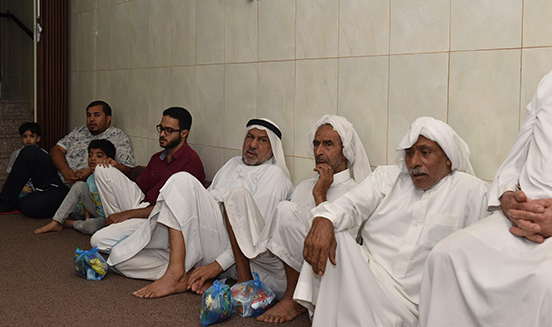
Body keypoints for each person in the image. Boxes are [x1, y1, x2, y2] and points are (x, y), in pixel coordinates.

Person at [293, 117, 490, 326]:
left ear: (448, 158)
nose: (414, 162)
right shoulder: (387, 177)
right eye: (409, 153)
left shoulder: (472, 192)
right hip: (369, 282)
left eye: (425, 153)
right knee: (333, 232)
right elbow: (350, 205)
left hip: (418, 305)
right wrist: (324, 218)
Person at [90, 118, 293, 299]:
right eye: (250, 137)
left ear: (273, 148)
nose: (253, 144)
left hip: (225, 241)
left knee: (181, 180)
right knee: (119, 259)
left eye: (262, 140)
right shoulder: (232, 163)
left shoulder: (274, 175)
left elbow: (253, 237)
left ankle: (175, 274)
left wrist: (217, 266)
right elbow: (208, 196)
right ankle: (183, 272)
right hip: (198, 231)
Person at [419, 71, 552, 327]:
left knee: (545, 282)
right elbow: (516, 158)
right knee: (446, 255)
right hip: (519, 216)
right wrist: (508, 195)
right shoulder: (548, 84)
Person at [223, 115, 371, 324]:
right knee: (236, 196)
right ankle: (244, 280)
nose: (319, 151)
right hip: (277, 269)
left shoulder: (355, 193)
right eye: (316, 144)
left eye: (328, 144)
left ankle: (294, 299)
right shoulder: (303, 186)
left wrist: (320, 195)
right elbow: (283, 238)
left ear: (345, 151)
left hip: (318, 277)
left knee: (286, 210)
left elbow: (338, 250)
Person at [0, 100, 135, 218]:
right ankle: (6, 202)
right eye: (88, 115)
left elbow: (127, 166)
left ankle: (35, 197)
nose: (91, 119)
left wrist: (92, 171)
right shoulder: (79, 131)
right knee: (29, 151)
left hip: (75, 189)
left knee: (31, 207)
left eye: (96, 115)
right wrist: (65, 170)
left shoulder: (117, 136)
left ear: (108, 118)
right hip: (58, 175)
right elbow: (56, 150)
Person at [92, 107, 205, 227]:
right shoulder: (157, 158)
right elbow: (138, 190)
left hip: (161, 218)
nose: (162, 134)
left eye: (168, 130)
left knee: (99, 237)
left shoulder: (190, 162)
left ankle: (118, 226)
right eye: (161, 128)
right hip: (143, 206)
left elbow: (171, 209)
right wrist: (116, 167)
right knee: (102, 169)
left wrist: (127, 214)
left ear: (184, 133)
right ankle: (117, 225)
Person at [34, 139, 116, 234]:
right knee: (79, 185)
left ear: (109, 159)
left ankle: (70, 224)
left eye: (99, 156)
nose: (92, 159)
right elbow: (87, 200)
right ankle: (56, 221)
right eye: (90, 155)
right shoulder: (90, 178)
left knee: (91, 227)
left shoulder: (112, 177)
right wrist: (87, 218)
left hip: (109, 218)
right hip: (96, 213)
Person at [6, 122, 45, 198]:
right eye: (25, 136)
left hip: (38, 186)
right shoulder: (16, 154)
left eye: (32, 136)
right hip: (22, 186)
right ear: (21, 139)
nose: (28, 139)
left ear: (38, 138)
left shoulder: (43, 153)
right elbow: (10, 173)